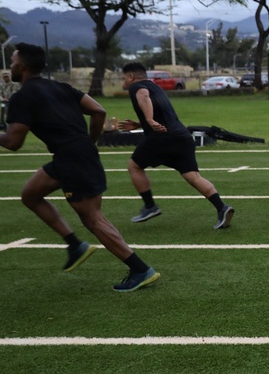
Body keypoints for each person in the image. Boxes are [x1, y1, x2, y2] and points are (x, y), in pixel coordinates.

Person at [0, 44, 159, 291]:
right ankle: (74, 244)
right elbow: (98, 111)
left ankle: (141, 269)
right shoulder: (61, 87)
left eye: (12, 61)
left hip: (71, 157)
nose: (11, 66)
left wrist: (80, 146)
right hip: (71, 156)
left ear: (22, 65)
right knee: (30, 195)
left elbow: (13, 142)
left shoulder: (22, 97)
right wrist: (88, 142)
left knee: (93, 218)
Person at [119, 62, 235, 229]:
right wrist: (140, 124)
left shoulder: (137, 86)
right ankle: (222, 208)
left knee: (134, 167)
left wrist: (150, 120)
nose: (125, 82)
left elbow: (143, 97)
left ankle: (150, 206)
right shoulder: (155, 86)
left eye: (125, 78)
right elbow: (161, 110)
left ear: (131, 76)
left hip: (161, 137)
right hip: (182, 136)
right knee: (193, 176)